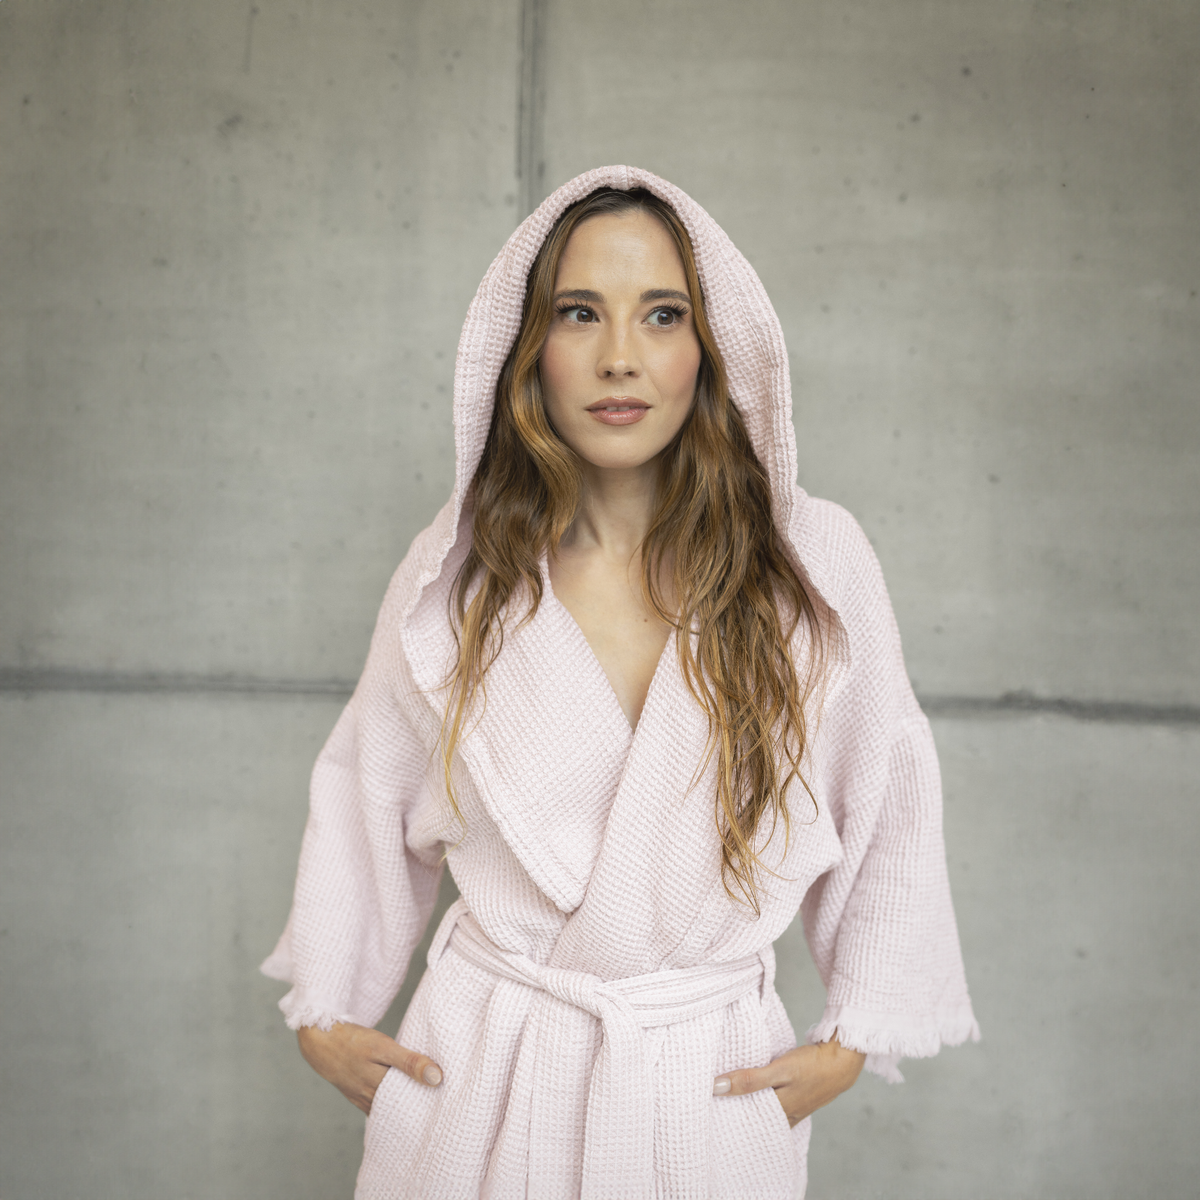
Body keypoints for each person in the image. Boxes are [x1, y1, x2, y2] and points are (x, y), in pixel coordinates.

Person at [262, 166, 979, 1199]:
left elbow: (890, 784)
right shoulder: (461, 580)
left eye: (663, 315)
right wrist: (327, 1006)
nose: (618, 358)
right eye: (579, 313)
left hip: (704, 1082)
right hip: (486, 1078)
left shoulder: (811, 563)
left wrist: (854, 1029)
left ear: (711, 345)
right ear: (531, 349)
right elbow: (364, 783)